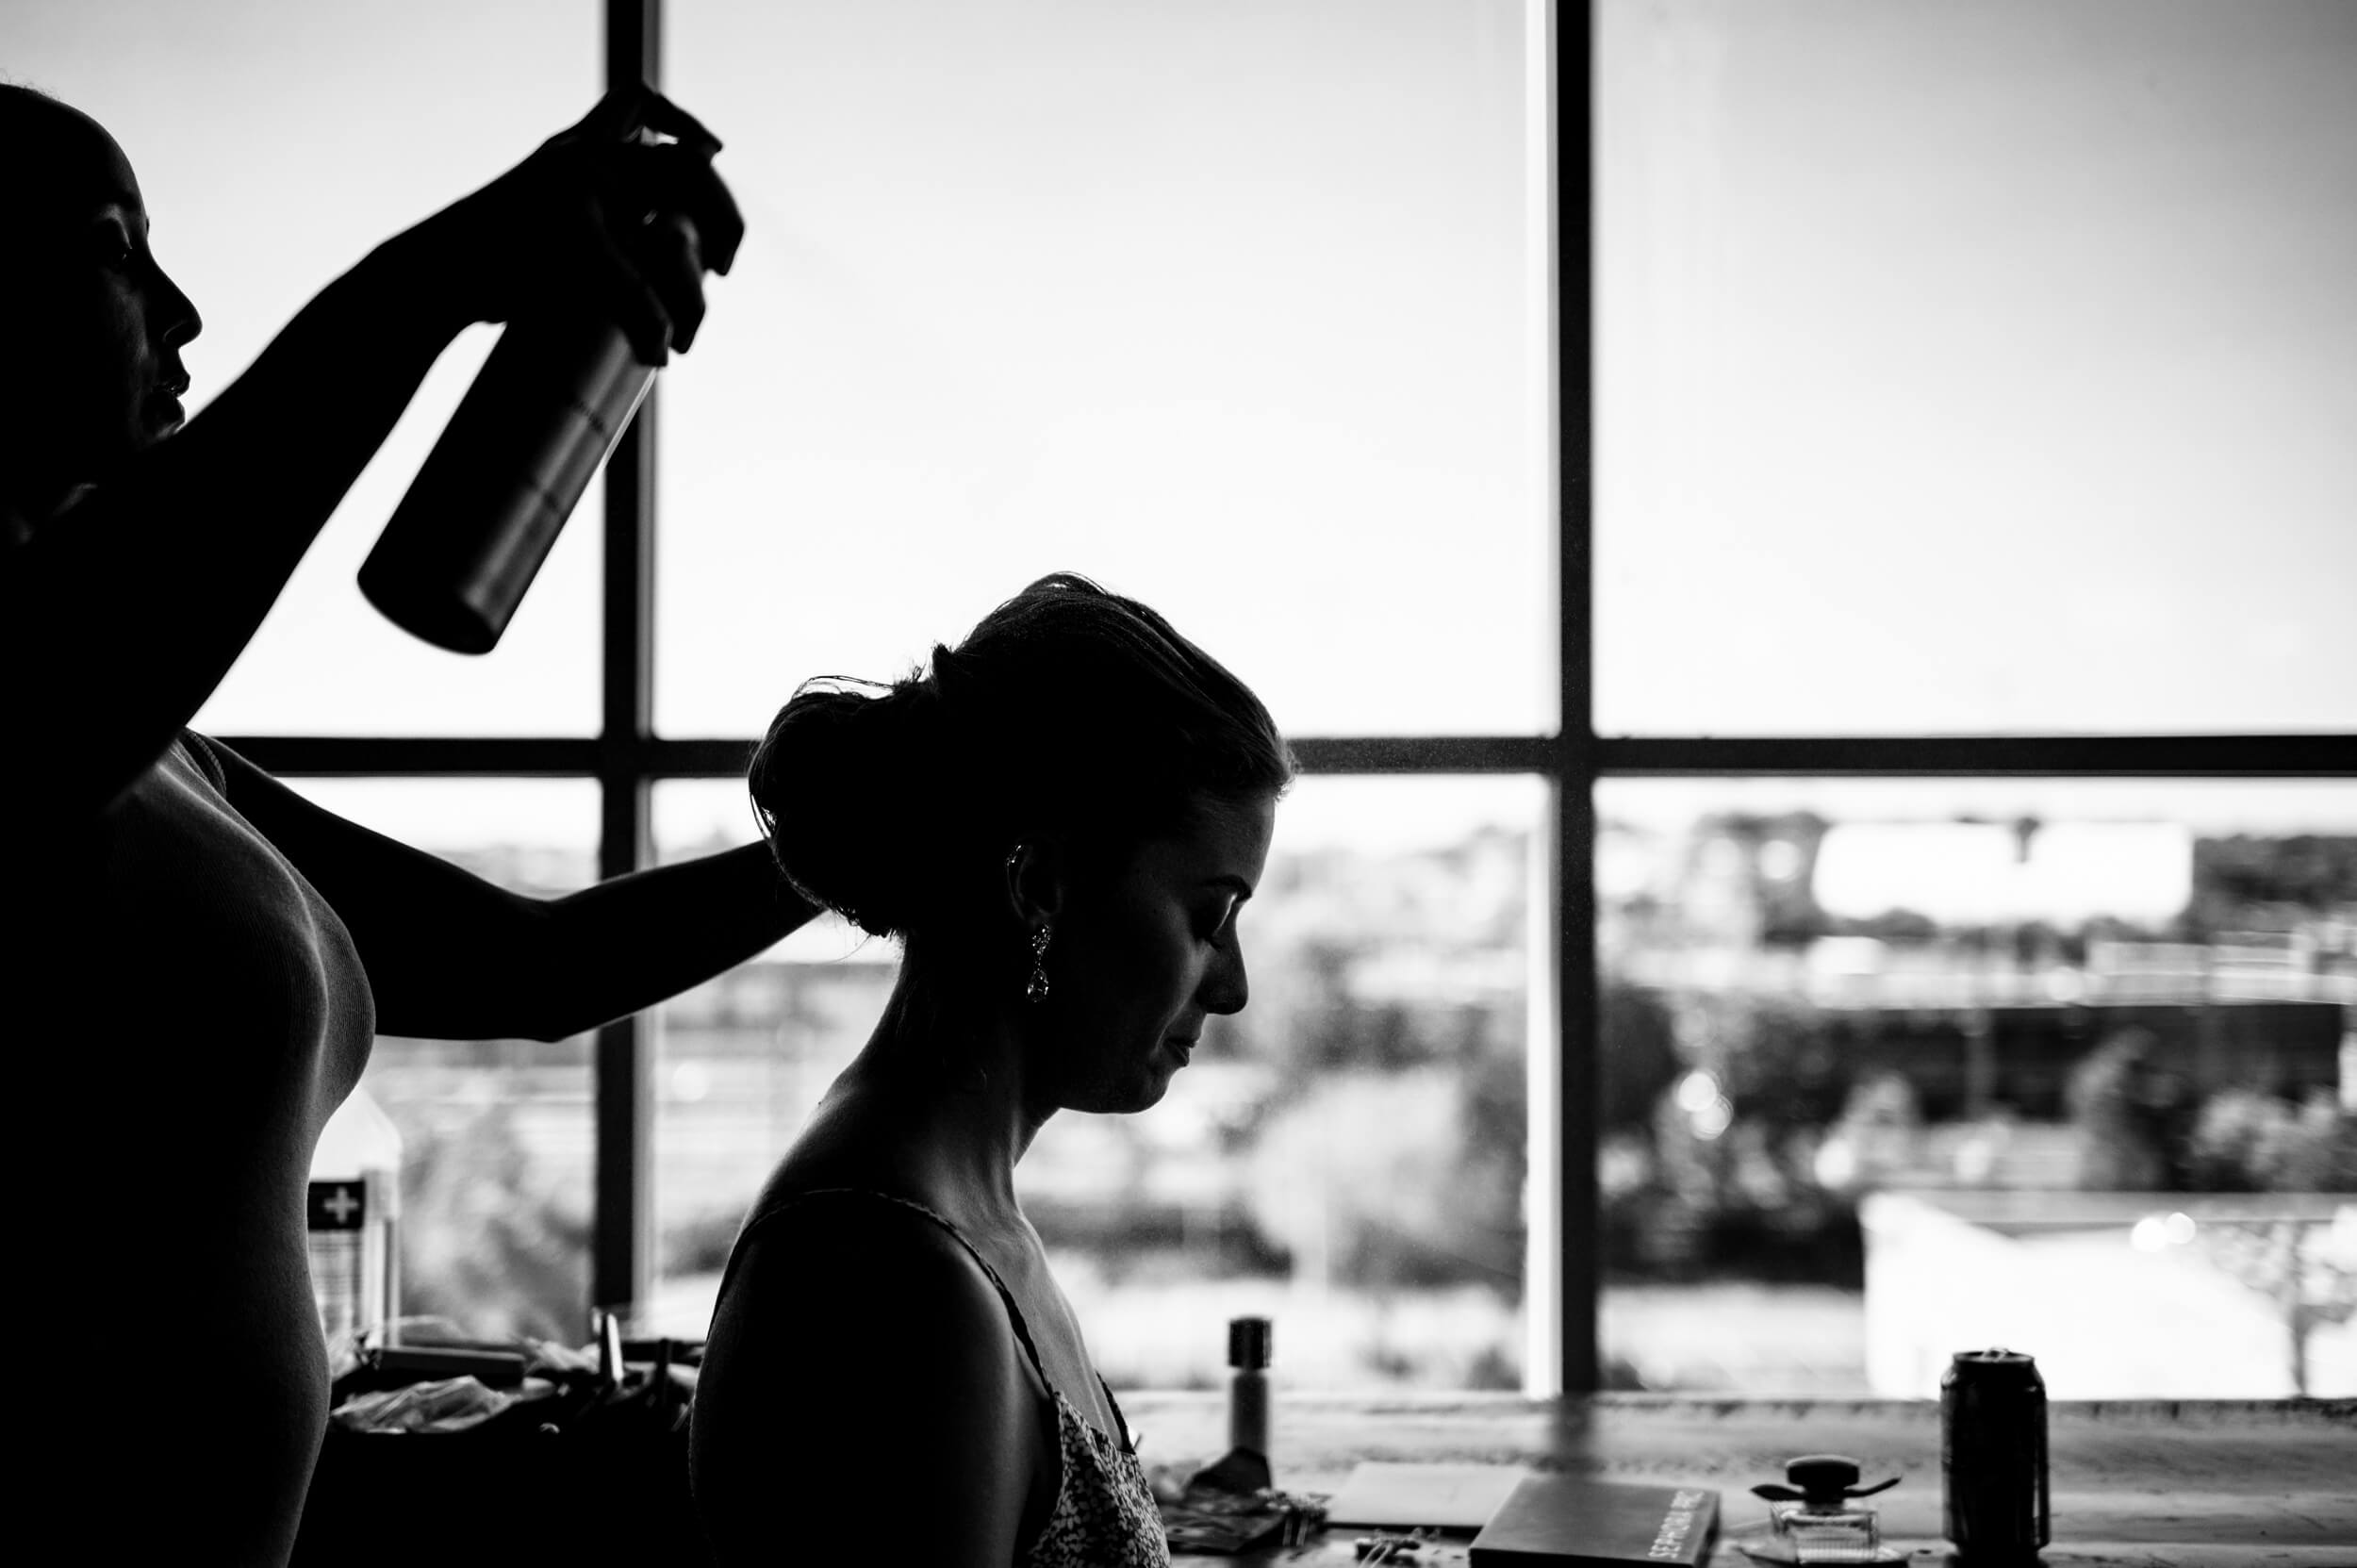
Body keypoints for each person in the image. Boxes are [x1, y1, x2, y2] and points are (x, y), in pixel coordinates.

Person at [2, 81, 812, 1566]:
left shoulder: (165, 759)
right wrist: (444, 272)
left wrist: (830, 857)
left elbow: (528, 966)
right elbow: (57, 680)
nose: (182, 311)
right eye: (118, 250)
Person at [691, 574, 1292, 1568]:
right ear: (1041, 886)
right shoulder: (890, 1282)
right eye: (1208, 918)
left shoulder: (960, 1214)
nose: (1229, 989)